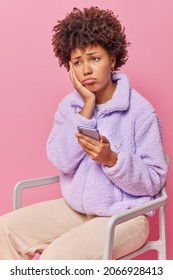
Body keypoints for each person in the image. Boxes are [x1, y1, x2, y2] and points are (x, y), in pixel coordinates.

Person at [0, 6, 168, 260]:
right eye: (78, 62)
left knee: (55, 260)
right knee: (4, 231)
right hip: (76, 210)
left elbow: (155, 180)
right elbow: (61, 160)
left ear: (112, 59)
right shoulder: (70, 106)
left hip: (125, 217)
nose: (86, 69)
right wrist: (86, 108)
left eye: (94, 58)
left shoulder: (140, 112)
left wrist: (113, 160)